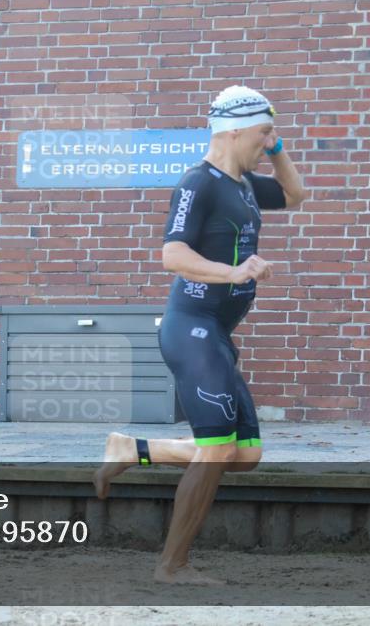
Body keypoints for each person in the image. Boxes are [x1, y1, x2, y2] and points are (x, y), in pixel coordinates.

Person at [93, 85, 306, 585]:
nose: (268, 141)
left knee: (245, 456)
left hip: (216, 334)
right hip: (191, 328)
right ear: (233, 131)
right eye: (262, 133)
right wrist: (233, 273)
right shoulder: (199, 182)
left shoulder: (247, 184)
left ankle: (131, 450)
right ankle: (173, 566)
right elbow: (173, 255)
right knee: (215, 449)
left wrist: (278, 151)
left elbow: (295, 194)